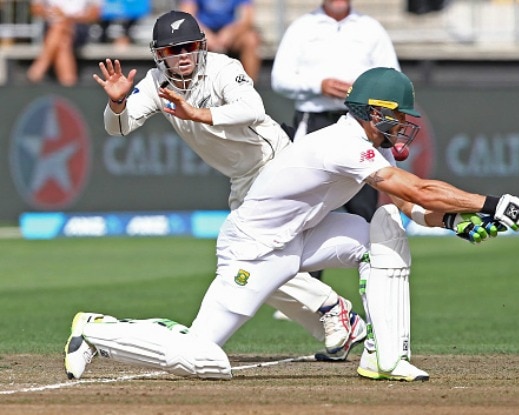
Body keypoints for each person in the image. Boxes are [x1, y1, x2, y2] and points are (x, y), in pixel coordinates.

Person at [65, 66, 519, 382]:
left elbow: (411, 206)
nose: (402, 126)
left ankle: (386, 356)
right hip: (254, 250)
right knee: (203, 359)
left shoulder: (364, 148)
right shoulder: (342, 143)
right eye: (397, 116)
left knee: (385, 228)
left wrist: (454, 222)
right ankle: (97, 329)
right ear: (374, 112)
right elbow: (416, 188)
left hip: (303, 237)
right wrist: (490, 203)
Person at [77, 10, 367, 375]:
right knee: (244, 262)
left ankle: (331, 308)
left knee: (243, 259)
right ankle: (333, 312)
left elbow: (252, 108)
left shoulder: (222, 67)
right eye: (173, 50)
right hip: (242, 178)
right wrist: (117, 102)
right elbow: (119, 128)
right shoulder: (154, 82)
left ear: (200, 46)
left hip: (274, 163)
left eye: (189, 46)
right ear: (159, 55)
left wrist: (197, 114)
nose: (182, 55)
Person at [271, 0, 400, 283]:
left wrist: (365, 94)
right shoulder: (303, 27)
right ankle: (308, 290)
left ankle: (379, 282)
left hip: (361, 123)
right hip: (314, 119)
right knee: (308, 207)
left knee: (366, 206)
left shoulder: (370, 28)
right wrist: (318, 84)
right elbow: (279, 78)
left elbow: (392, 77)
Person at [179, 0, 261, 82]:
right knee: (187, 41)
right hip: (202, 31)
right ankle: (189, 87)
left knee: (251, 40)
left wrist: (230, 33)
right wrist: (204, 34)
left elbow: (247, 19)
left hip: (230, 32)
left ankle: (247, 88)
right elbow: (187, 16)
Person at [27, 0, 102, 86]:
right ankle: (68, 84)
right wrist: (53, 13)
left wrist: (68, 18)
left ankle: (40, 67)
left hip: (79, 27)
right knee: (63, 41)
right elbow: (36, 9)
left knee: (60, 29)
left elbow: (95, 14)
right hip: (52, 28)